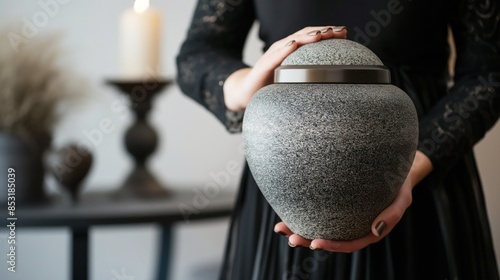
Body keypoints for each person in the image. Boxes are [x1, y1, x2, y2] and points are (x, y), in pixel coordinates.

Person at [176, 0, 500, 279]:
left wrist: (408, 169)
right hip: (284, 170)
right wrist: (245, 86)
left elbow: (488, 74)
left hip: (420, 167)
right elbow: (199, 52)